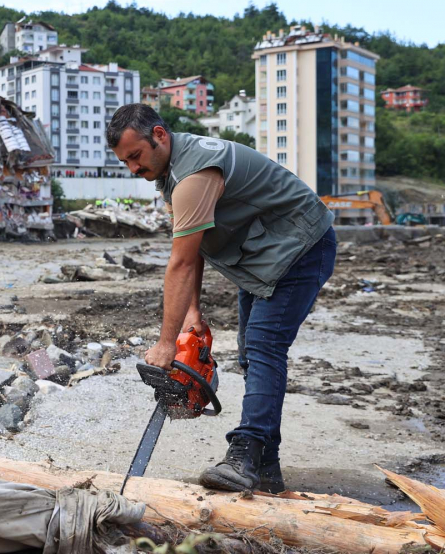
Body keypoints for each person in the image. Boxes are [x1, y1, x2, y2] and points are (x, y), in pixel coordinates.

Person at [107, 104, 336, 493]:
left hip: (301, 247)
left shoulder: (195, 173)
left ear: (159, 136)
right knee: (251, 354)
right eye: (125, 161)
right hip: (265, 256)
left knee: (264, 348)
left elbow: (178, 265)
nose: (133, 169)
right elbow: (190, 250)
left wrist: (166, 345)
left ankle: (244, 456)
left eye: (135, 156)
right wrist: (192, 312)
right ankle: (266, 469)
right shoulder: (171, 175)